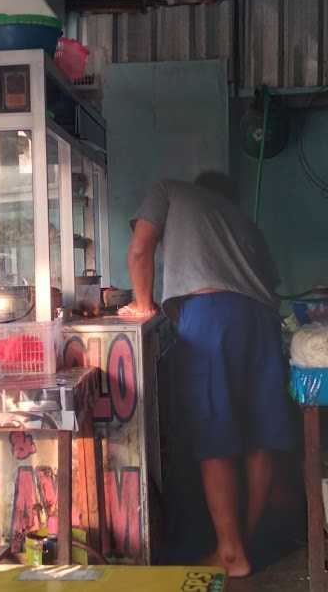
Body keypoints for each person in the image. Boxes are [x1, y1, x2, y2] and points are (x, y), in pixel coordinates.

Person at [119, 172, 295, 577]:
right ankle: (242, 543)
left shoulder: (167, 190)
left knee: (214, 431)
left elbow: (140, 250)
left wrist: (144, 304)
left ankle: (231, 552)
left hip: (212, 316)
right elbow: (270, 284)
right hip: (263, 319)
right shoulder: (243, 221)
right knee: (258, 434)